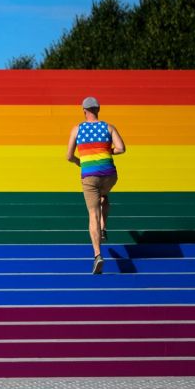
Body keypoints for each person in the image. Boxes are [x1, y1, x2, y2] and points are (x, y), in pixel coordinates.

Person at [66, 96, 126, 274]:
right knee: (103, 196)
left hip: (89, 176)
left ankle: (97, 255)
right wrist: (106, 151)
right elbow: (121, 148)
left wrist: (80, 161)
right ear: (98, 109)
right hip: (109, 175)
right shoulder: (108, 127)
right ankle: (103, 227)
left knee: (93, 212)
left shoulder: (77, 129)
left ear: (84, 110)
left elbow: (69, 156)